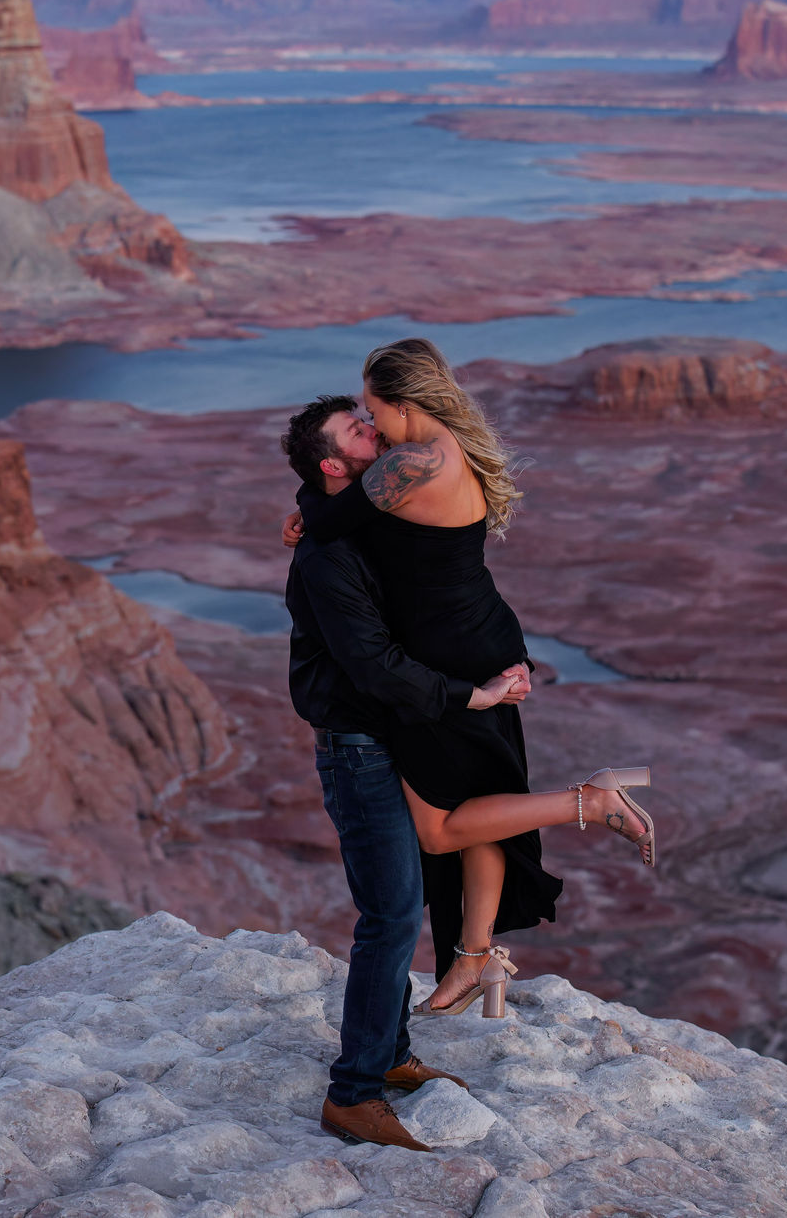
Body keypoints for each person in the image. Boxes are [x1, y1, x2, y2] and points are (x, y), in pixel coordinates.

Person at [291, 339, 657, 1019]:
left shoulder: (412, 459)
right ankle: (475, 956)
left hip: (451, 658)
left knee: (438, 830)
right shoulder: (446, 442)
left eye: (372, 409)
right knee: (482, 797)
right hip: (475, 637)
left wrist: (303, 510)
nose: (370, 420)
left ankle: (591, 800)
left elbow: (333, 514)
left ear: (403, 407)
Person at [281, 393, 535, 1151]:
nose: (379, 432)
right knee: (388, 915)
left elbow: (328, 499)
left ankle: (388, 1055)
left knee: (406, 903)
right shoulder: (328, 559)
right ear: (337, 463)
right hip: (358, 743)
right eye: (361, 430)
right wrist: (473, 693)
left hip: (387, 735)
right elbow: (375, 665)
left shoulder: (354, 513)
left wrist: (305, 502)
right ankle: (353, 1093)